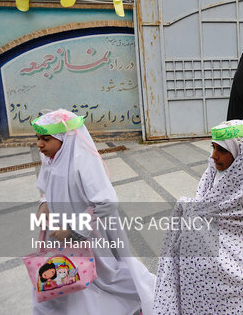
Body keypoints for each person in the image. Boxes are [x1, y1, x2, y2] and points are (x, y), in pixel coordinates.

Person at [32, 109, 155, 315]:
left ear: (65, 139)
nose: (39, 144)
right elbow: (47, 183)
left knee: (107, 277)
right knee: (64, 278)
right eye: (37, 138)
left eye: (46, 138)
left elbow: (107, 203)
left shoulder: (83, 162)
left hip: (90, 235)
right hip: (62, 236)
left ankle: (146, 297)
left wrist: (73, 230)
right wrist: (44, 203)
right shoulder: (52, 158)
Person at [154, 120, 243, 314]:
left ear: (240, 154)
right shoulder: (212, 172)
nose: (214, 156)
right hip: (205, 259)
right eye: (213, 147)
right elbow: (204, 210)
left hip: (239, 265)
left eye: (222, 150)